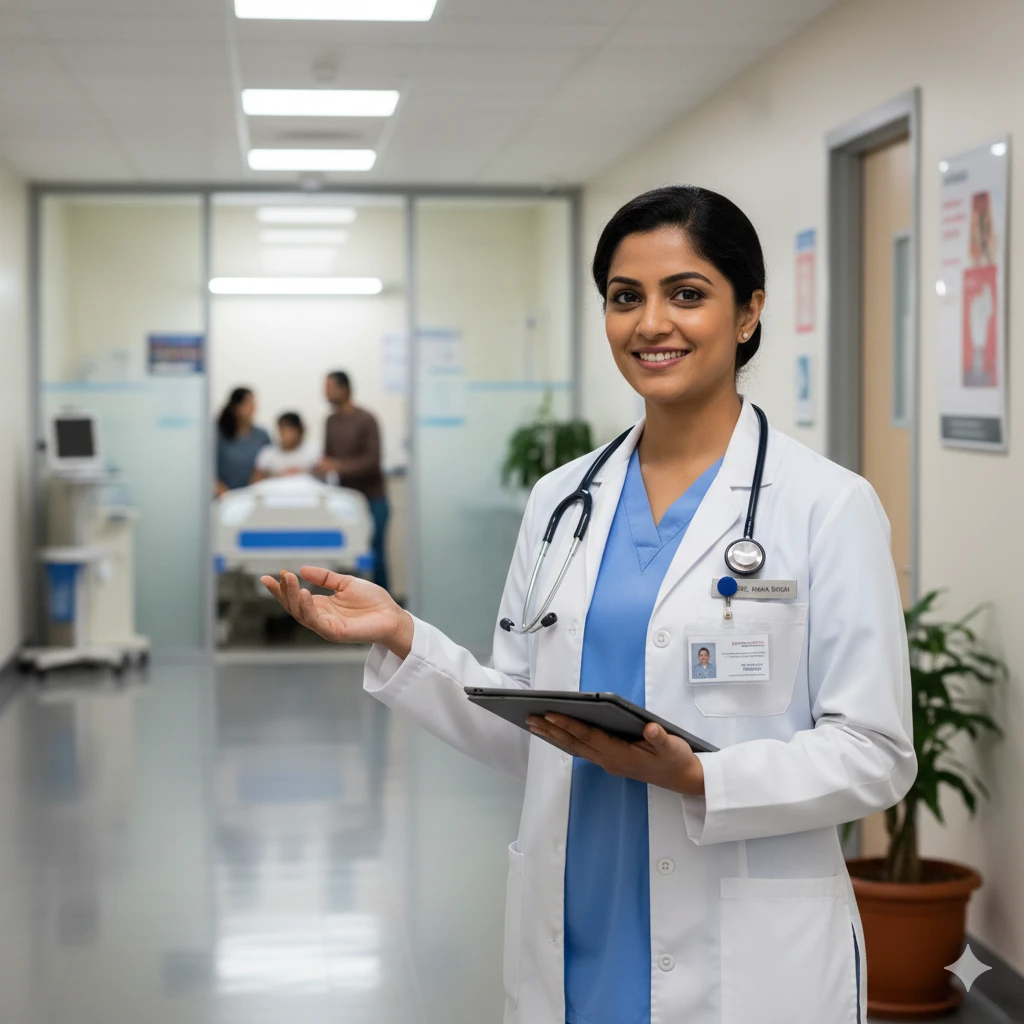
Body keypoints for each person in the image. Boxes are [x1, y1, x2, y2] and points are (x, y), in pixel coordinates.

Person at [262, 186, 915, 1024]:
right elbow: (535, 728)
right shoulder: (562, 500)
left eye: (687, 293)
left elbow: (877, 752)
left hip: (741, 944)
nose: (651, 323)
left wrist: (701, 776)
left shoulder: (828, 504)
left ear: (748, 312)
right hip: (575, 918)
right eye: (624, 297)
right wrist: (403, 636)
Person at [317, 371, 390, 591]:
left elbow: (372, 462)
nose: (325, 392)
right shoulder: (330, 421)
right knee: (347, 559)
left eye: (329, 387)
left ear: (344, 389)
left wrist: (337, 466)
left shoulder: (366, 419)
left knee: (374, 556)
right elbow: (328, 458)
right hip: (345, 502)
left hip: (372, 499)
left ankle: (387, 614)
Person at [215, 387, 270, 496]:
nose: (253, 407)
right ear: (235, 407)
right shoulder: (219, 436)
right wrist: (225, 496)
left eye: (254, 403)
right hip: (224, 496)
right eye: (248, 403)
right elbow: (209, 470)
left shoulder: (262, 436)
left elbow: (270, 464)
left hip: (254, 497)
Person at [252, 412, 318, 481]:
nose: (284, 434)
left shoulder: (312, 452)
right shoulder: (267, 453)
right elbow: (255, 481)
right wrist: (276, 475)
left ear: (299, 431)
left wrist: (303, 472)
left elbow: (322, 479)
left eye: (289, 430)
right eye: (281, 430)